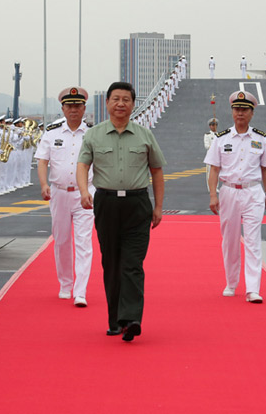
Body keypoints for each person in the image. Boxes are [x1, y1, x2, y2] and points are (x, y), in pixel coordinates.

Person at [76, 81, 166, 342]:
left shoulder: (144, 135)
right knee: (111, 263)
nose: (120, 104)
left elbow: (157, 171)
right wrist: (84, 192)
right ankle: (115, 320)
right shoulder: (93, 135)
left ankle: (132, 319)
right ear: (107, 103)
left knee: (133, 263)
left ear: (133, 104)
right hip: (106, 203)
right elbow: (83, 166)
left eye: (126, 99)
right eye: (115, 99)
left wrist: (158, 206)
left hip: (137, 204)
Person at [205, 91, 266, 304]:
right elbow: (214, 169)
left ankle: (253, 289)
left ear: (252, 113)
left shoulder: (260, 138)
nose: (240, 113)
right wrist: (212, 195)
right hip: (229, 191)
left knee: (253, 240)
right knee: (230, 240)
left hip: (253, 192)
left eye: (244, 110)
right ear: (232, 111)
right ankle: (231, 282)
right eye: (236, 109)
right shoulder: (221, 138)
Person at [36, 87, 95, 307]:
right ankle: (65, 284)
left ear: (84, 109)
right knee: (61, 240)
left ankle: (81, 290)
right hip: (59, 192)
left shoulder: (92, 133)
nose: (73, 110)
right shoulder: (51, 133)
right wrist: (43, 184)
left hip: (85, 193)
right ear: (62, 108)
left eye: (77, 106)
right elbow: (42, 161)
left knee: (83, 242)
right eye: (69, 106)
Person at [204, 118, 218, 192]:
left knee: (217, 172)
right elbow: (206, 145)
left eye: (215, 125)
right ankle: (210, 188)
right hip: (210, 156)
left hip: (217, 156)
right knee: (209, 173)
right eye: (212, 125)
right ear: (210, 126)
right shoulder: (207, 135)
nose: (213, 127)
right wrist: (213, 147)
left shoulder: (219, 135)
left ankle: (216, 187)